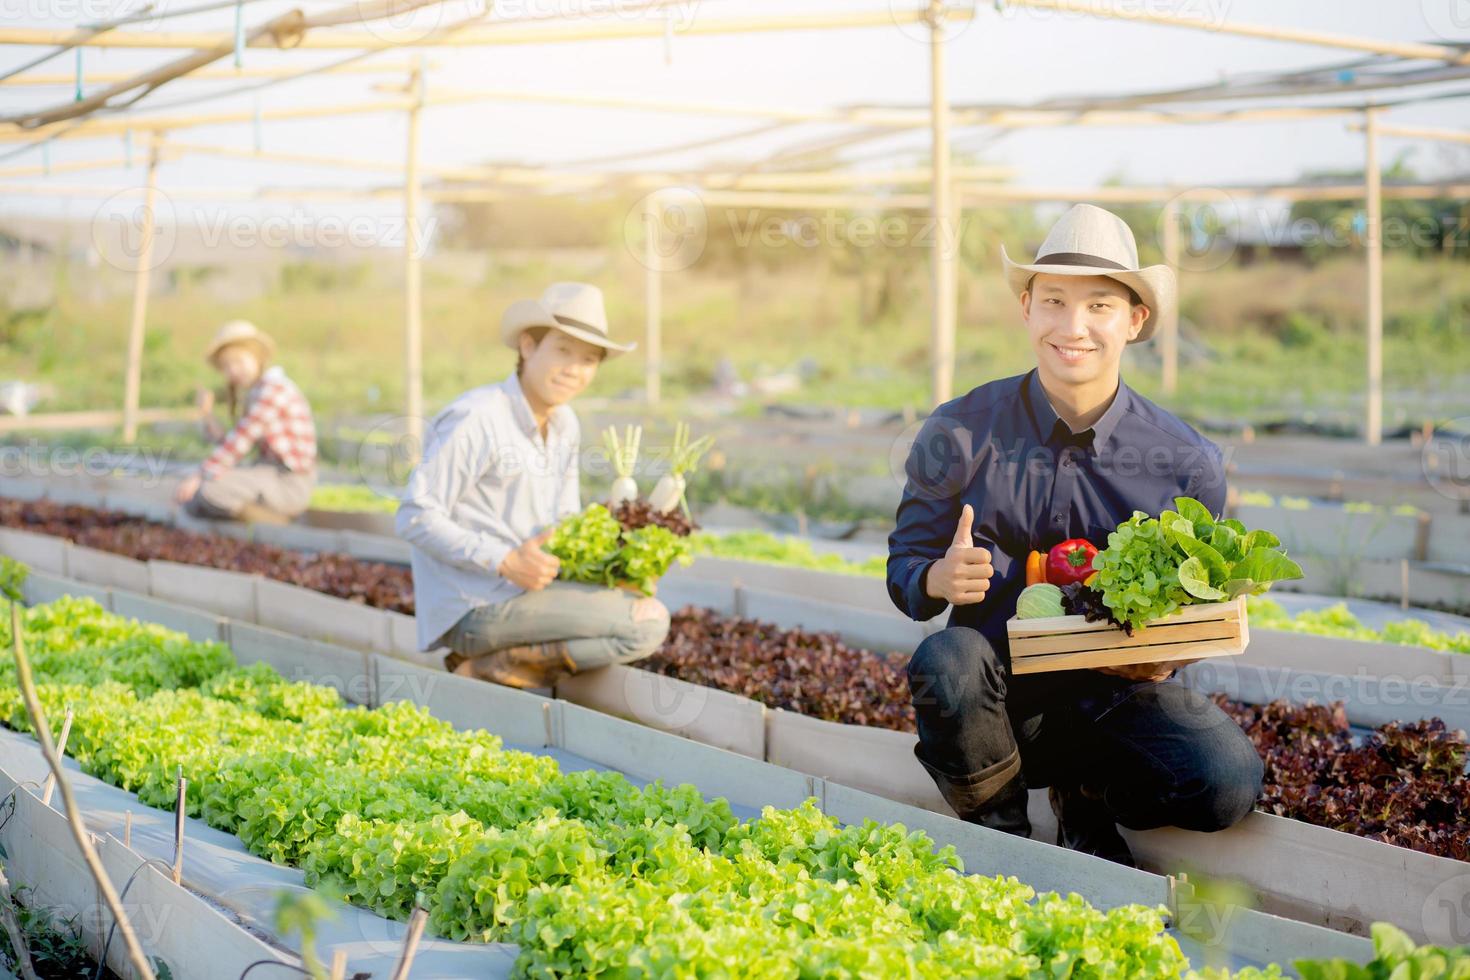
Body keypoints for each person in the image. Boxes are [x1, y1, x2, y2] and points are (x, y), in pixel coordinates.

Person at [887, 204, 1262, 866]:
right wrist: (934, 577)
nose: (1073, 327)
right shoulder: (959, 430)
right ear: (1027, 308)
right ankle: (1002, 838)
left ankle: (1084, 797)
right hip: (993, 698)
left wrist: (1164, 654)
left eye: (1099, 307)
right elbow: (905, 568)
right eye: (1054, 301)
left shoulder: (1185, 462)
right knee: (946, 659)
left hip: (1111, 702)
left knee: (1224, 781)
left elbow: (1198, 609)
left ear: (1134, 321)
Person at [397, 282, 672, 689]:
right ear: (528, 346)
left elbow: (562, 522)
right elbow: (414, 516)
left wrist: (614, 567)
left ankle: (498, 665)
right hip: (476, 604)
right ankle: (490, 664)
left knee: (641, 603)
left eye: (589, 359)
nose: (574, 369)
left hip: (530, 595)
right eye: (562, 350)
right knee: (646, 624)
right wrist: (505, 560)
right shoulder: (479, 418)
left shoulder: (564, 424)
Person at [174, 320, 317, 525]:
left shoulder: (273, 390)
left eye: (239, 361)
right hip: (267, 475)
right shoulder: (257, 391)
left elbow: (239, 443)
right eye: (226, 366)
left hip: (290, 484)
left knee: (210, 491)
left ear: (258, 357)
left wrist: (200, 476)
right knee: (195, 498)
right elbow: (232, 442)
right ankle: (263, 520)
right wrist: (206, 414)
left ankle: (279, 524)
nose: (233, 370)